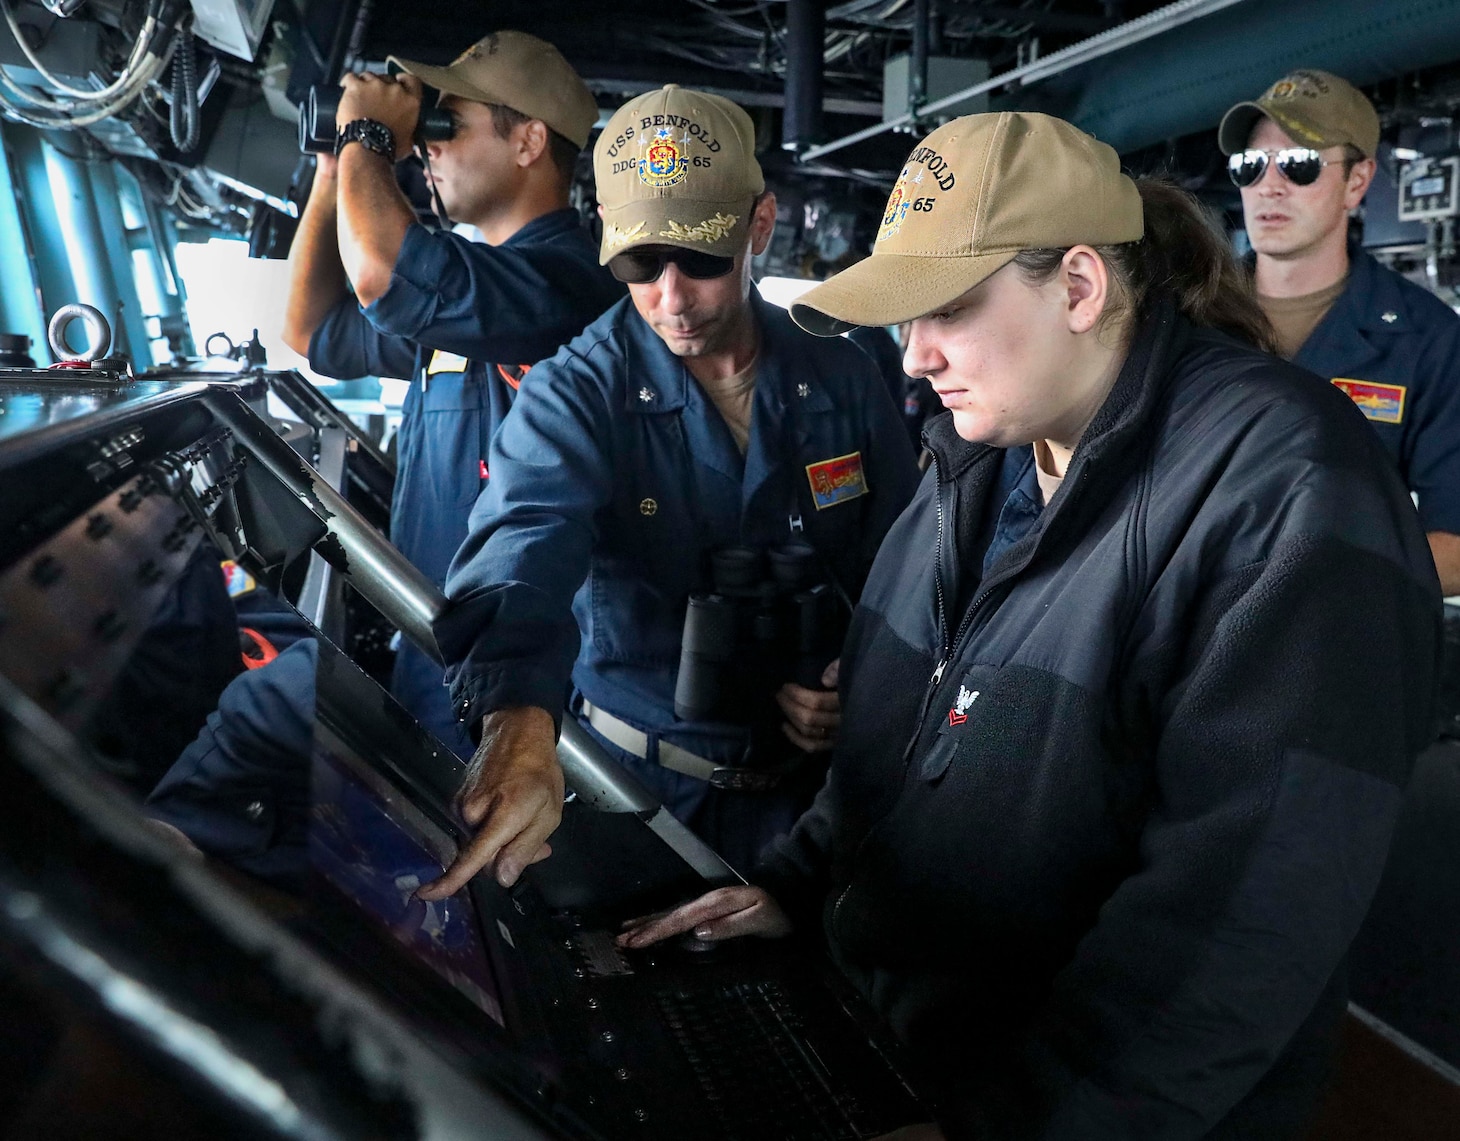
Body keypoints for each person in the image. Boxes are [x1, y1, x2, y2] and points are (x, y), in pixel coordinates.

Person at [616, 111, 1443, 1139]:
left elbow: (1242, 920)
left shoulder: (1286, 487)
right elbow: (896, 732)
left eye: (946, 311)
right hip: (902, 1053)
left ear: (1081, 287)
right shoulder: (980, 453)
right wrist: (795, 882)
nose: (912, 359)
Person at [421, 85, 919, 890]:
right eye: (641, 263)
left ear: (760, 225)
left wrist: (855, 679)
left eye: (703, 258)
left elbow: (907, 565)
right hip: (636, 801)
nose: (672, 296)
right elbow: (522, 543)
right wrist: (517, 718)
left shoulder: (845, 378)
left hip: (813, 805)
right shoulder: (576, 391)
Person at [281, 31, 624, 757]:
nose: (429, 146)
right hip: (434, 659)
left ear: (529, 140)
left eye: (449, 124)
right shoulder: (467, 295)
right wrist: (329, 166)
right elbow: (313, 331)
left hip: (507, 688)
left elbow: (381, 276)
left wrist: (367, 136)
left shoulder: (566, 286)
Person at [1219, 68, 1460, 596]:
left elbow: (1457, 543)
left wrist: (1313, 587)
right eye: (1251, 166)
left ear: (1357, 181)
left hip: (1333, 649)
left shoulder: (1430, 341)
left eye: (1300, 165)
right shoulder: (1189, 318)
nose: (1269, 186)